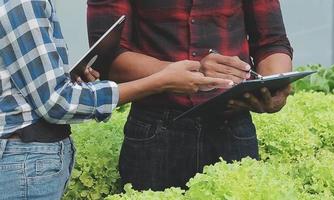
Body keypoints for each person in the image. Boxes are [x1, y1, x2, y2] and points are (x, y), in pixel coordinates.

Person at [0, 0, 232, 199]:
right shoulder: (23, 3)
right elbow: (59, 103)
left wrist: (65, 77)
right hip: (23, 160)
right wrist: (160, 81)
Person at [87, 0, 293, 191]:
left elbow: (271, 42)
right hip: (155, 131)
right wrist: (191, 73)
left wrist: (274, 84)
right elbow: (107, 58)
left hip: (233, 124)